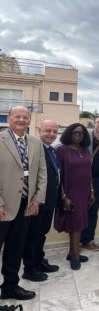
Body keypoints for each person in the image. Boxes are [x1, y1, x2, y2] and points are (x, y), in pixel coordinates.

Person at [0, 107, 46, 300]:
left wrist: (37, 199)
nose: (21, 120)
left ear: (30, 120)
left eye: (25, 117)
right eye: (17, 116)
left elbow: (42, 174)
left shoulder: (36, 143)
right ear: (9, 118)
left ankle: (10, 287)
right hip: (3, 206)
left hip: (26, 205)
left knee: (15, 248)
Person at [22, 120, 60, 282]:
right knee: (32, 235)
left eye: (54, 131)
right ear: (39, 130)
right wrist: (35, 199)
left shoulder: (51, 150)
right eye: (48, 131)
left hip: (49, 200)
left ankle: (39, 261)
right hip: (37, 201)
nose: (51, 134)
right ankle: (30, 268)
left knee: (41, 234)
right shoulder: (33, 148)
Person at [54, 123, 95, 270]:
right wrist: (63, 196)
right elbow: (58, 175)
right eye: (75, 133)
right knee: (75, 224)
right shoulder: (62, 150)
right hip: (70, 192)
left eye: (81, 133)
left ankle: (72, 252)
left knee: (80, 222)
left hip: (84, 192)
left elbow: (88, 172)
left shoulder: (84, 150)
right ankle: (75, 255)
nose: (78, 135)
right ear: (69, 134)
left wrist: (91, 191)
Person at [81, 115, 99, 252]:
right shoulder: (82, 137)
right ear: (94, 123)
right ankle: (76, 241)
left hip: (98, 180)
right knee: (79, 211)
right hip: (81, 180)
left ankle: (88, 240)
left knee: (93, 211)